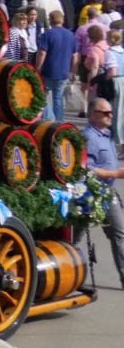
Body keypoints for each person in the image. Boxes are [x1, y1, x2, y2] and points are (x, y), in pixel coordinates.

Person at [75, 98, 124, 286]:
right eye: (105, 113)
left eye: (111, 112)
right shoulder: (89, 137)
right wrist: (116, 173)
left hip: (108, 192)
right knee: (77, 235)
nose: (110, 116)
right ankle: (69, 270)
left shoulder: (107, 135)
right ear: (93, 114)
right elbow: (86, 168)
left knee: (117, 234)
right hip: (92, 194)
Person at [36, 10, 77, 121]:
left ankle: (48, 119)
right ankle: (58, 123)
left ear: (50, 20)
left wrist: (37, 68)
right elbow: (75, 56)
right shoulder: (70, 35)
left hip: (48, 71)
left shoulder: (47, 34)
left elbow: (42, 53)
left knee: (41, 97)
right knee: (58, 99)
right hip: (63, 71)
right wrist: (72, 71)